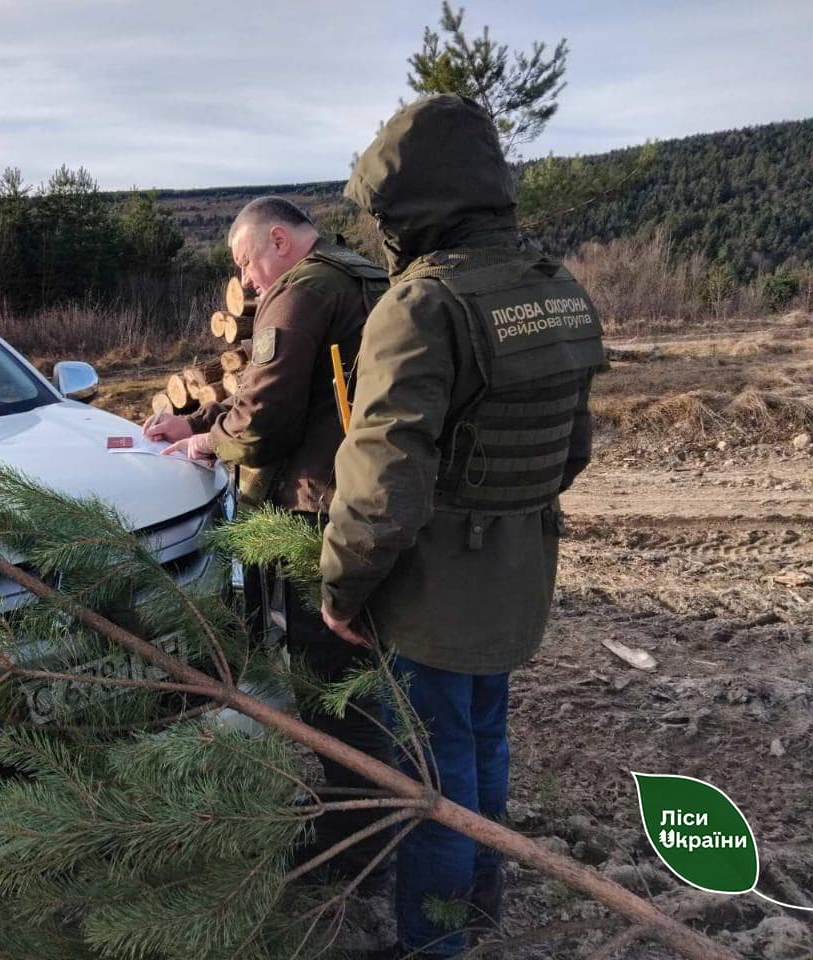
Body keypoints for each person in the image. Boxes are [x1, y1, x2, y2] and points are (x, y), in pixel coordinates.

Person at [319, 95, 606, 958]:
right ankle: (482, 909)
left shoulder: (420, 306)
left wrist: (340, 588)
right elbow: (572, 451)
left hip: (432, 598)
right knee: (483, 740)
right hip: (517, 576)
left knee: (430, 783)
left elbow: (382, 481)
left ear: (405, 208)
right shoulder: (556, 288)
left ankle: (436, 945)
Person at [145, 196, 394, 876]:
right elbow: (305, 389)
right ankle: (383, 815)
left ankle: (355, 844)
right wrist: (209, 412)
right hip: (367, 498)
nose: (250, 283)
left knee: (328, 683)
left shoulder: (300, 290)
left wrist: (205, 439)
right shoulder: (364, 275)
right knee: (368, 677)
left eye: (247, 264)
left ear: (278, 241)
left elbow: (269, 421)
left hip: (315, 511)